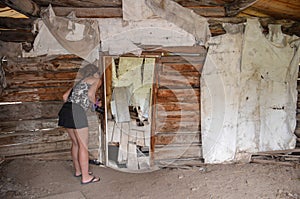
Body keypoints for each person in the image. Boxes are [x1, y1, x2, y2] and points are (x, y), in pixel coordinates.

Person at [58, 64, 102, 184]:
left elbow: (65, 96)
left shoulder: (80, 82)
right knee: (83, 145)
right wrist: (96, 104)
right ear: (96, 73)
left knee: (76, 144)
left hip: (66, 110)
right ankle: (86, 177)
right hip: (77, 112)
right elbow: (90, 95)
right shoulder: (97, 80)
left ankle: (79, 171)